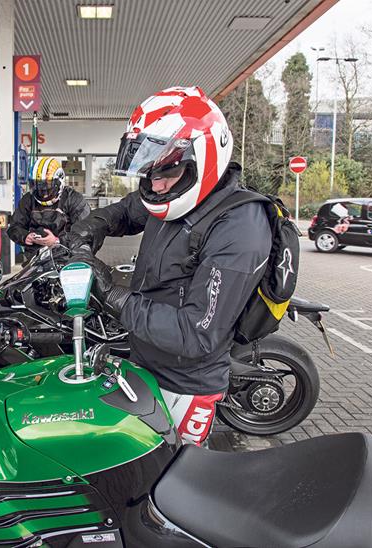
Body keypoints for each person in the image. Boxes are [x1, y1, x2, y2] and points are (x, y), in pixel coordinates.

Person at [66, 87, 272, 446]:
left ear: (204, 160)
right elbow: (125, 212)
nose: (155, 184)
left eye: (167, 171)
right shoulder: (170, 192)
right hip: (145, 363)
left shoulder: (240, 228)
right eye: (147, 173)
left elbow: (196, 334)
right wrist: (88, 229)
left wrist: (110, 294)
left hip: (187, 385)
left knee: (174, 479)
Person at [7, 156, 91, 260]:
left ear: (59, 183)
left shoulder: (75, 200)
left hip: (69, 257)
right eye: (39, 187)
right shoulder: (28, 199)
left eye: (47, 188)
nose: (44, 194)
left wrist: (57, 241)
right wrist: (25, 236)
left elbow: (86, 232)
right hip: (36, 258)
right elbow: (14, 227)